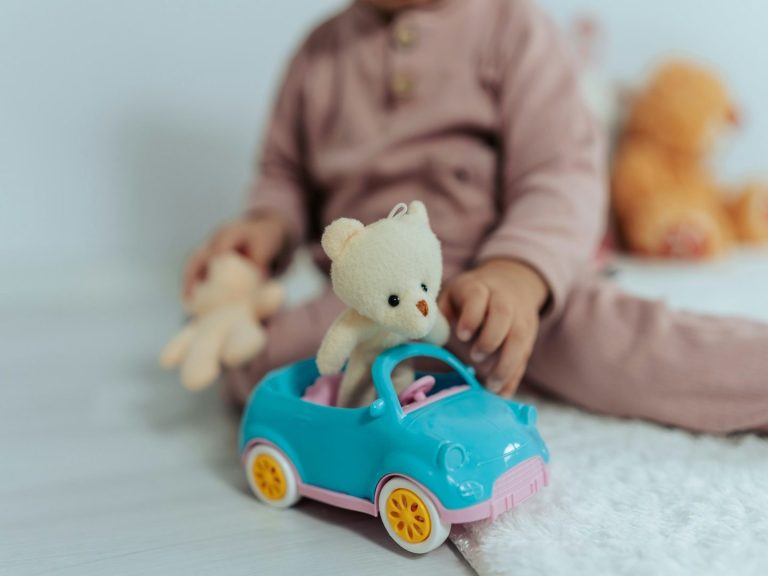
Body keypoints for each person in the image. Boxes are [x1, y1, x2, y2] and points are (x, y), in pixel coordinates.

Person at [183, 0, 768, 433]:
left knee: (626, 348)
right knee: (252, 374)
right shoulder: (318, 56)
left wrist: (520, 272)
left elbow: (560, 171)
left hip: (501, 285)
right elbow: (283, 175)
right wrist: (265, 229)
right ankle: (418, 392)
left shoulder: (514, 28)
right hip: (369, 308)